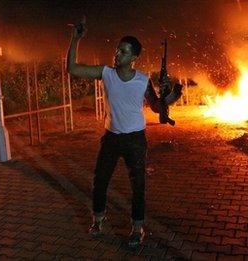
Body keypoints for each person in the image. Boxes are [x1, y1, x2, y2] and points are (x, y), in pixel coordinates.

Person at [66, 19, 181, 247]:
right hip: (111, 138)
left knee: (138, 186)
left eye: (124, 51)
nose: (117, 54)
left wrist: (172, 95)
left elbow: (156, 107)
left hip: (135, 140)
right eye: (118, 49)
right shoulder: (106, 73)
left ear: (133, 58)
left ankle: (137, 228)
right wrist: (75, 39)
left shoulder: (142, 80)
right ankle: (98, 220)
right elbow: (72, 68)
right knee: (99, 181)